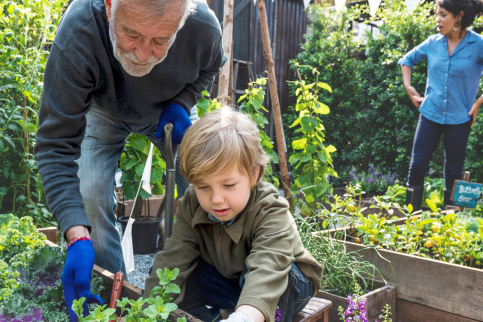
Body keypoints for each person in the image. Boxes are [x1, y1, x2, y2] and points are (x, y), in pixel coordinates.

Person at [34, 0, 225, 319]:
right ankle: (113, 300)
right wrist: (76, 233)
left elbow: (210, 66)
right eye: (131, 34)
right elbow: (56, 142)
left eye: (160, 41)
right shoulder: (80, 31)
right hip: (103, 113)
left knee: (208, 185)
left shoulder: (202, 27)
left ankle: (211, 286)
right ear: (110, 6)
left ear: (180, 23)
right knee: (90, 199)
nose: (141, 53)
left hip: (168, 110)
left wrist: (183, 101)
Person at [144, 108, 323, 322]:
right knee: (174, 277)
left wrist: (244, 317)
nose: (216, 198)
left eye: (228, 185)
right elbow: (174, 257)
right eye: (203, 187)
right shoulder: (192, 203)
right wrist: (147, 311)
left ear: (254, 174)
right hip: (234, 282)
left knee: (279, 277)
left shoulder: (270, 208)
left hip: (284, 282)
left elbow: (268, 266)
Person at [398, 0, 483, 211]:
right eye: (437, 14)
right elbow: (406, 60)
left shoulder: (478, 44)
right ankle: (410, 221)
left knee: (453, 171)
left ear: (458, 17)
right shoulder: (433, 43)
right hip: (430, 113)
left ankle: (449, 226)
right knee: (417, 165)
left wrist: (479, 102)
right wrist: (409, 87)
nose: (438, 20)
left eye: (443, 15)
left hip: (460, 118)